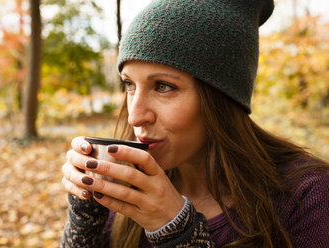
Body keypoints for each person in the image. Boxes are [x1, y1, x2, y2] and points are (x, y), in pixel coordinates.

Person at [60, 0, 329, 247]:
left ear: (221, 98)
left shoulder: (308, 197)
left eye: (163, 86)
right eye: (129, 84)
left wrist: (176, 232)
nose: (135, 116)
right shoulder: (126, 184)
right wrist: (85, 220)